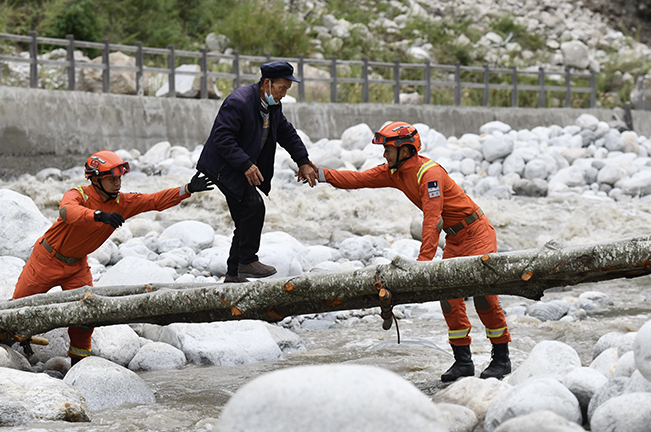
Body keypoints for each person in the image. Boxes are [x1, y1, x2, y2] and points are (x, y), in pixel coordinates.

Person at [314, 122, 512, 381]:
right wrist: (318, 174)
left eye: (388, 149)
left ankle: (502, 359)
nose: (384, 154)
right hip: (455, 238)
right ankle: (463, 362)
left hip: (477, 233)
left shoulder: (429, 174)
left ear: (404, 149)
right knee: (448, 299)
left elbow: (432, 220)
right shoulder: (394, 171)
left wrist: (422, 265)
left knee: (484, 298)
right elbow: (358, 179)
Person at [12, 150, 214, 365]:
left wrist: (188, 189)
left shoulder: (122, 203)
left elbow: (153, 200)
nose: (117, 183)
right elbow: (66, 212)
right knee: (17, 309)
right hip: (46, 260)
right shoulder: (77, 194)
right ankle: (8, 343)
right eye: (111, 179)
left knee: (85, 316)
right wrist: (98, 215)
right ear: (95, 179)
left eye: (119, 178)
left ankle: (79, 365)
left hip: (77, 267)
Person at [196, 60, 318, 283]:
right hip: (224, 165)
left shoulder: (272, 105)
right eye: (282, 88)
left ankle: (233, 274)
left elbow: (286, 133)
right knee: (253, 206)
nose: (283, 94)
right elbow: (222, 139)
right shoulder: (239, 102)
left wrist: (303, 161)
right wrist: (245, 164)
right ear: (267, 83)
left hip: (240, 164)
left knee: (244, 217)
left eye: (286, 90)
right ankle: (246, 262)